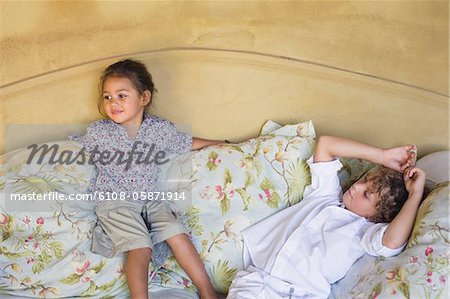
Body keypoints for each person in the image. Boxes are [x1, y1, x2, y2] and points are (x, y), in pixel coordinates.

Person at [70, 59, 220, 299]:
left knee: (175, 230)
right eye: (107, 97)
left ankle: (207, 292)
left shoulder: (159, 130)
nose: (113, 103)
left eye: (121, 95)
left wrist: (220, 143)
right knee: (141, 245)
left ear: (144, 97)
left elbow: (186, 142)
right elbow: (71, 146)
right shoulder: (99, 132)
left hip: (150, 200)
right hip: (115, 201)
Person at [227, 135, 426, 299]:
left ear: (376, 217)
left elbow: (392, 242)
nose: (357, 186)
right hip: (256, 282)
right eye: (364, 180)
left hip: (298, 294)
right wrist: (381, 156)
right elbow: (326, 145)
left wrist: (415, 194)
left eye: (366, 195)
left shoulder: (364, 233)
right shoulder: (327, 195)